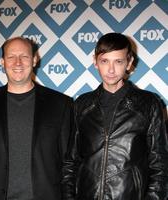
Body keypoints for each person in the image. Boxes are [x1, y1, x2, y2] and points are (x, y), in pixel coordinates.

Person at [0, 37, 74, 200]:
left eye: (24, 56)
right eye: (11, 57)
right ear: (2, 62)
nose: (18, 63)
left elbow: (69, 164)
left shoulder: (61, 104)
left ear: (35, 59)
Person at [66, 33, 168, 199]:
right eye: (105, 61)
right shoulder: (82, 104)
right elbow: (71, 161)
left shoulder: (148, 103)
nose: (111, 69)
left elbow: (160, 164)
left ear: (129, 63)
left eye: (118, 61)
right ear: (95, 62)